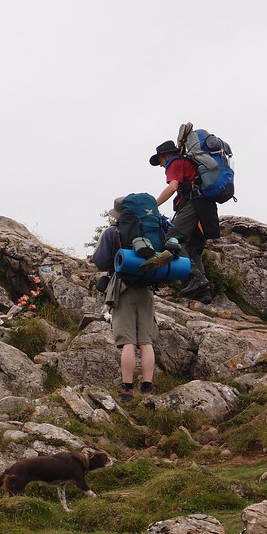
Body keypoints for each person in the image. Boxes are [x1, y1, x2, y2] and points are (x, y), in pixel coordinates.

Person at [91, 197, 159, 401]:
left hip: (122, 289)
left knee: (127, 342)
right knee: (146, 341)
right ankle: (147, 386)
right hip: (147, 288)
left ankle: (127, 388)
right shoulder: (150, 231)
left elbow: (100, 261)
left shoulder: (113, 232)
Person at [146, 140, 217, 304]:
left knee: (171, 240)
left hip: (192, 204)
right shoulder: (189, 163)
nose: (161, 165)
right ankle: (203, 293)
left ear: (165, 155)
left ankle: (196, 277)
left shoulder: (175, 162)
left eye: (160, 161)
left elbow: (173, 187)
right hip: (205, 207)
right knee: (193, 249)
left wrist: (153, 205)